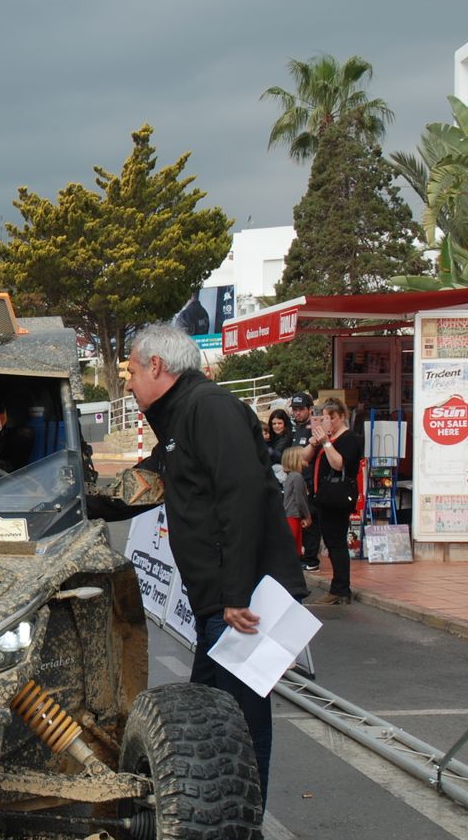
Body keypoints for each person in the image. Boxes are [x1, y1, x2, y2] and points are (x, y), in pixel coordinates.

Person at [91, 324, 304, 808]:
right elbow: (142, 486)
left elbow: (243, 497)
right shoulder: (180, 418)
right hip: (219, 607)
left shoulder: (208, 409)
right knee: (205, 718)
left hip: (240, 604)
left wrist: (234, 595)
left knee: (239, 723)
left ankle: (242, 832)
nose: (128, 383)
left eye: (131, 371)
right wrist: (68, 500)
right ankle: (210, 821)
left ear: (156, 367)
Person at [302, 398, 363, 604]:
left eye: (332, 417)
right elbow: (304, 459)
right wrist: (314, 442)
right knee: (330, 542)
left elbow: (338, 464)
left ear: (342, 417)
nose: (328, 422)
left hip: (337, 498)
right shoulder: (326, 439)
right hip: (323, 498)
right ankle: (338, 587)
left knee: (336, 543)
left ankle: (340, 589)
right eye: (325, 417)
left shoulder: (350, 439)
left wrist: (326, 443)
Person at [288, 394, 323, 571]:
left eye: (301, 409)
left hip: (311, 481)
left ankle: (311, 559)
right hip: (299, 479)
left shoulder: (313, 428)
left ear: (310, 409)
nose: (297, 413)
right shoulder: (298, 429)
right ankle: (305, 555)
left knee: (311, 520)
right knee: (303, 519)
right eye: (295, 409)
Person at [279, 445, 310, 554]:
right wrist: (307, 516)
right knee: (293, 549)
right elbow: (300, 499)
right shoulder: (297, 477)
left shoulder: (290, 477)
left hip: (289, 515)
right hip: (293, 516)